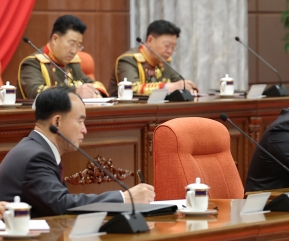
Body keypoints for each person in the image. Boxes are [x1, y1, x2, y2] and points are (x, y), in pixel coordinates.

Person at [0, 87, 155, 217]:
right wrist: (124, 198)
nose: (84, 130)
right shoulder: (35, 156)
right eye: (80, 121)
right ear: (57, 122)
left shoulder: (36, 148)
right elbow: (61, 205)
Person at [19, 15, 108, 99]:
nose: (74, 51)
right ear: (55, 39)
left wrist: (94, 92)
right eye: (71, 44)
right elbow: (36, 93)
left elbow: (92, 83)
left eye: (78, 45)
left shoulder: (72, 63)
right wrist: (75, 92)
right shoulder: (32, 63)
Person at [108, 20, 198, 97]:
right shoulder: (128, 60)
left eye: (173, 47)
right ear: (150, 40)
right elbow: (132, 89)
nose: (170, 51)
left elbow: (179, 83)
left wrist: (188, 87)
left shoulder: (163, 61)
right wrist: (171, 87)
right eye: (167, 46)